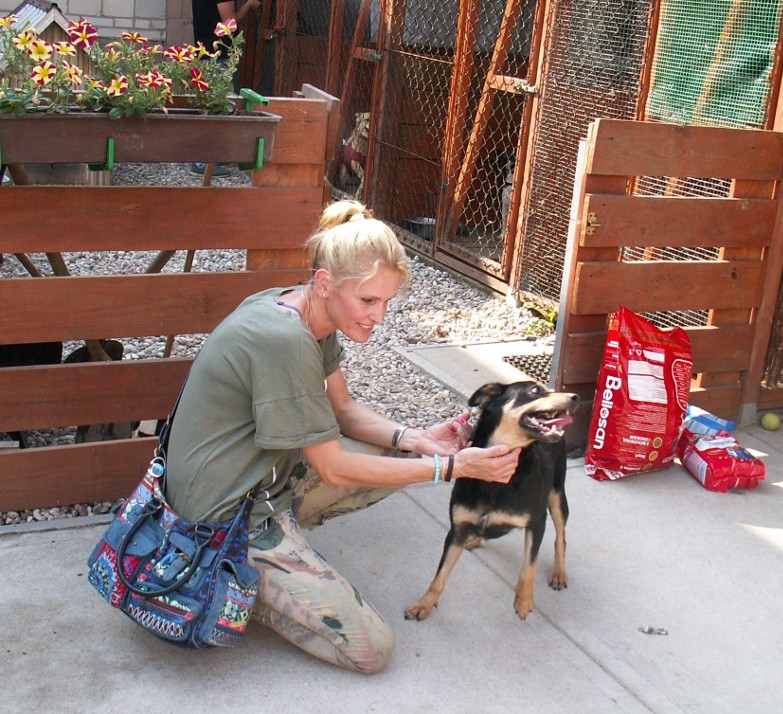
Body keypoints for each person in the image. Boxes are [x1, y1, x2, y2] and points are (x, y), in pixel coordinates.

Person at [165, 200, 520, 673]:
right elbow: (331, 465)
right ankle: (237, 584)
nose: (379, 316)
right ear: (325, 283)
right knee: (371, 650)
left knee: (388, 457)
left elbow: (345, 409)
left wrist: (419, 440)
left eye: (387, 302)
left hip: (262, 483)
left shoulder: (310, 313)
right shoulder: (284, 340)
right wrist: (452, 467)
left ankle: (289, 554)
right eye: (368, 300)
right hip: (221, 521)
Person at [189, 0, 261, 176]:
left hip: (204, 53)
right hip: (217, 56)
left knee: (210, 104)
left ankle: (211, 158)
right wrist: (248, 6)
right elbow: (230, 23)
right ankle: (201, 162)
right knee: (214, 107)